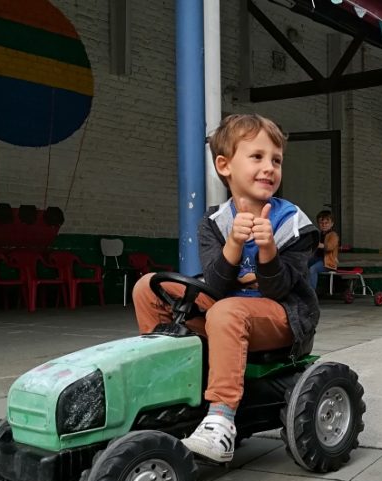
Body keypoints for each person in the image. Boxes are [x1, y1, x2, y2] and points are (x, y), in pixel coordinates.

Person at [132, 113, 319, 463]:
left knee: (226, 310)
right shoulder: (214, 222)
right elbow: (217, 283)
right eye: (257, 157)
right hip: (227, 310)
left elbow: (280, 289)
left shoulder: (294, 223)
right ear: (224, 165)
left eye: (276, 160)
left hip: (282, 318)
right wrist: (234, 241)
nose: (269, 168)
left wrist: (267, 251)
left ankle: (220, 420)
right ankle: (169, 377)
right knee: (149, 286)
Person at [308, 209, 339, 290]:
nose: (324, 225)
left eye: (326, 223)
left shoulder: (333, 235)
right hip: (317, 260)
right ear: (318, 224)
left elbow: (330, 247)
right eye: (321, 223)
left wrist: (319, 245)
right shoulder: (318, 234)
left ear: (332, 224)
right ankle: (300, 290)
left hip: (328, 263)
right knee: (301, 265)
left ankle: (311, 293)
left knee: (313, 269)